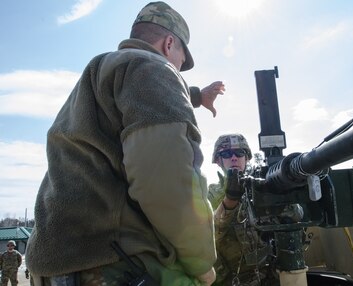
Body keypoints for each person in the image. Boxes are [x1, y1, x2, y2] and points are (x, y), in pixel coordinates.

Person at [26, 2, 224, 285]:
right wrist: (201, 263)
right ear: (169, 44)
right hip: (114, 265)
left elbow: (137, 100)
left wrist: (194, 96)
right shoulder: (155, 68)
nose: (179, 69)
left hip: (56, 265)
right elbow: (165, 180)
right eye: (182, 60)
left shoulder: (99, 70)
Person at [208, 134, 304, 285]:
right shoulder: (211, 193)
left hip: (272, 274)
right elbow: (210, 232)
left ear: (246, 158)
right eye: (226, 154)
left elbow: (298, 216)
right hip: (233, 279)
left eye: (239, 153)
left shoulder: (262, 185)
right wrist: (230, 200)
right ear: (218, 160)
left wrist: (282, 199)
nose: (234, 158)